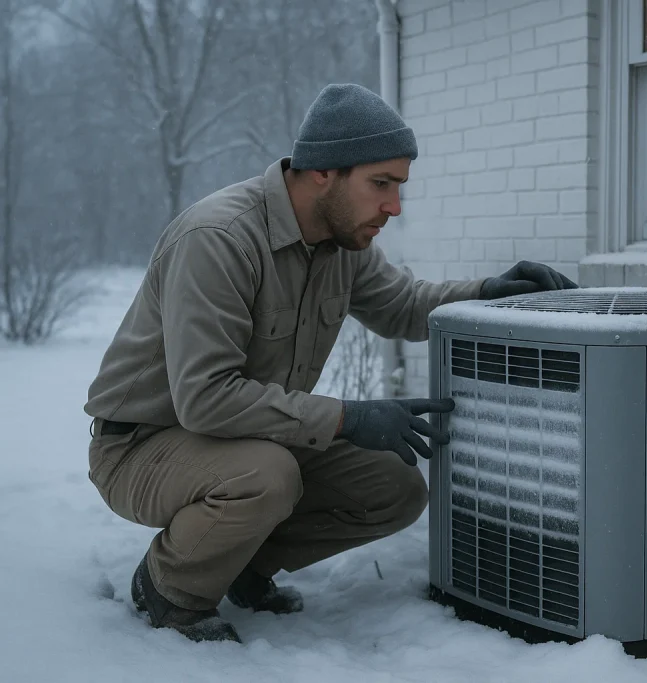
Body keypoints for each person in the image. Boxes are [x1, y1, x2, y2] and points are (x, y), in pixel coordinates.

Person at [83, 83, 577, 644]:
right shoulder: (218, 239)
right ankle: (170, 589)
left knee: (396, 486)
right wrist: (347, 417)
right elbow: (205, 398)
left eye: (398, 186)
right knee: (266, 476)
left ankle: (241, 562)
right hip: (142, 446)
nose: (394, 206)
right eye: (381, 184)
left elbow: (403, 305)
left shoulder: (343, 245)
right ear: (324, 172)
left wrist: (489, 292)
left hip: (249, 436)